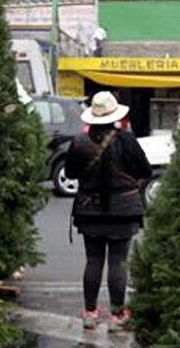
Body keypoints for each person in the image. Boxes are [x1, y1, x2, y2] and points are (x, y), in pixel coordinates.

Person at [65, 91, 152, 331]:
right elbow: (145, 170)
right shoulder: (127, 140)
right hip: (123, 209)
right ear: (115, 115)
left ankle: (90, 313)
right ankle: (117, 315)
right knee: (118, 262)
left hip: (89, 209)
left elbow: (71, 173)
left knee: (93, 261)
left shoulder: (79, 142)